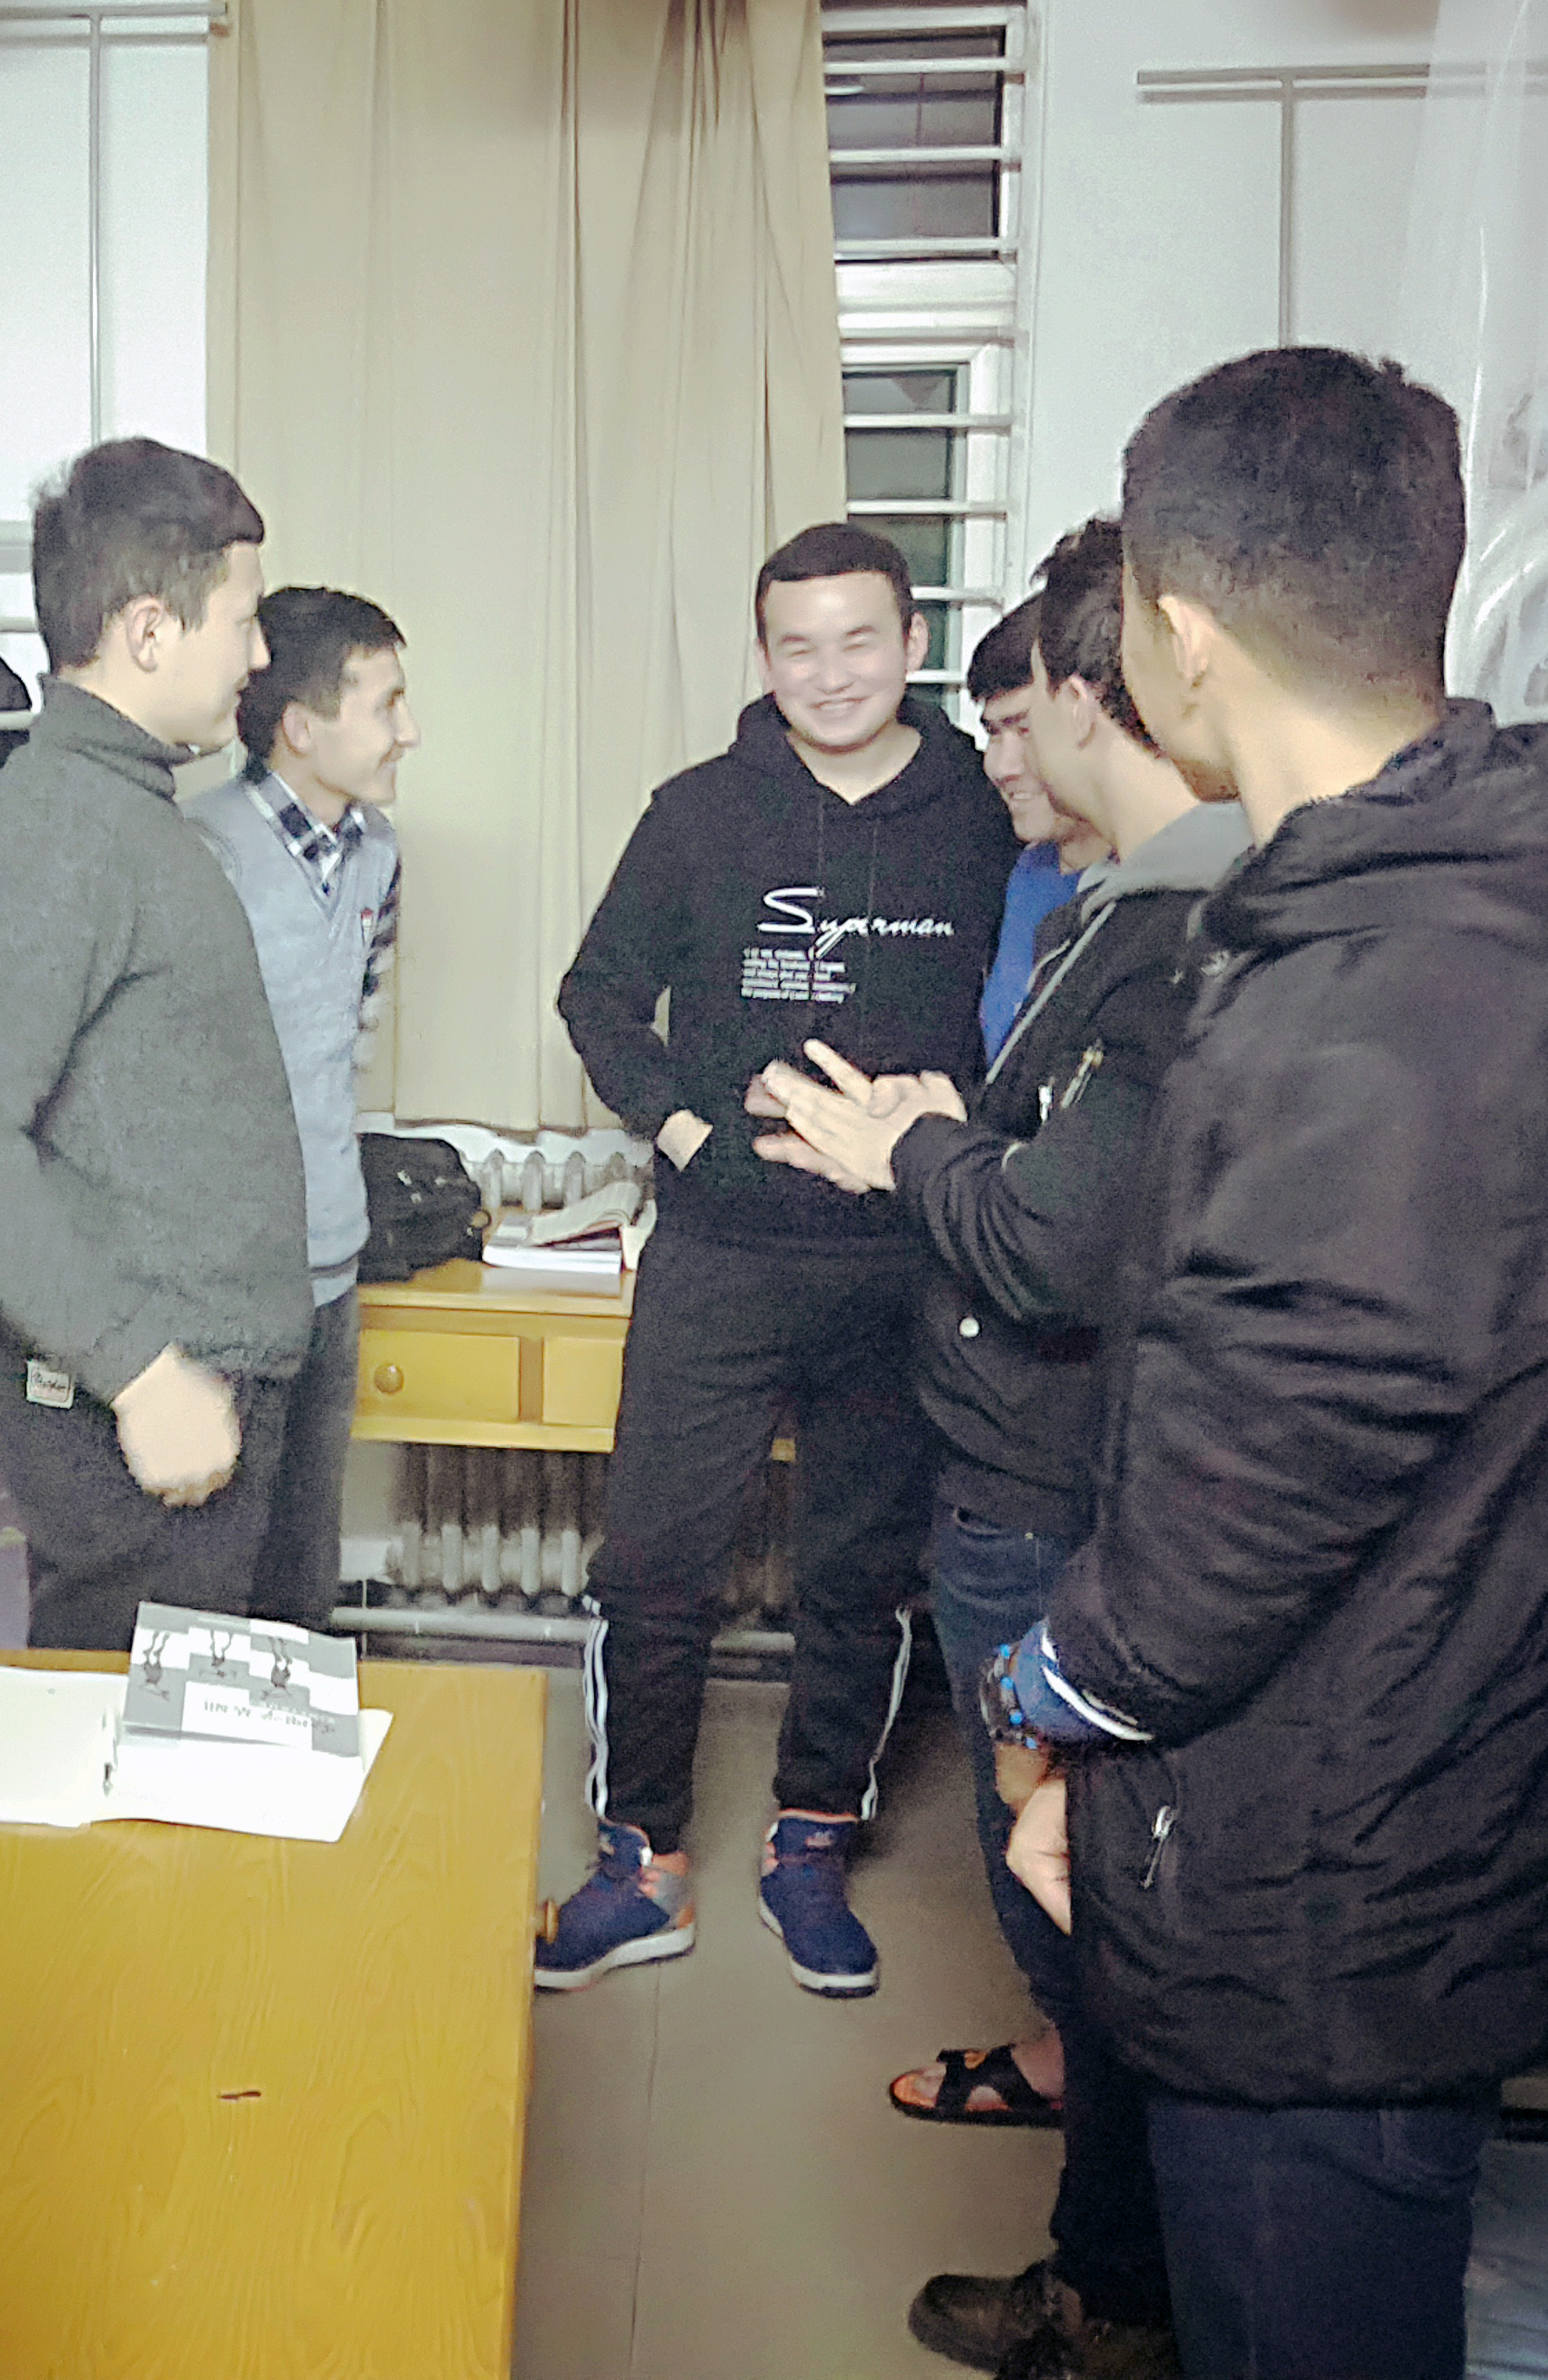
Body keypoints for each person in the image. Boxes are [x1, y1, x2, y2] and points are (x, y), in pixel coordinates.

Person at [980, 351, 1548, 2380]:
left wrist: (1042, 1697)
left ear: (1180, 635)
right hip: (1340, 1819)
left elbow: (1255, 1496)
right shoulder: (1408, 908)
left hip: (1339, 1911)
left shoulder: (1387, 999)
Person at [763, 516, 1247, 2380]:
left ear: (1097, 695)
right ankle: (1107, 2249)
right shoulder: (1124, 905)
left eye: (1020, 710)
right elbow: (1064, 1174)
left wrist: (911, 1153)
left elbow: (1061, 1238)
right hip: (1022, 1479)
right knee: (1075, 1911)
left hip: (1050, 1504)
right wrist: (952, 1132)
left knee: (1085, 1915)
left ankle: (1112, 2297)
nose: (1003, 750)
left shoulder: (1177, 931)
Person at [536, 522, 1019, 1997]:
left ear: (913, 643)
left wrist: (964, 1134)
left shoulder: (988, 817)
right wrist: (685, 1132)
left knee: (859, 1572)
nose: (830, 673)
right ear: (763, 657)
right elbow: (598, 995)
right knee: (652, 1563)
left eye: (859, 640)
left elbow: (1030, 1026)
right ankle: (642, 1861)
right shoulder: (699, 814)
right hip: (723, 1255)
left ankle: (812, 1841)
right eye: (796, 646)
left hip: (907, 1262)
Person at [0, 438, 314, 1649]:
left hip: (202, 1380)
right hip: (145, 1402)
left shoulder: (127, 809)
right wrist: (136, 1372)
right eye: (242, 619)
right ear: (147, 631)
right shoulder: (62, 831)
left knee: (198, 1749)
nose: (260, 655)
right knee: (123, 1760)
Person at [186, 586, 415, 1630]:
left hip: (333, 1257)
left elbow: (350, 1035)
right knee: (213, 1567)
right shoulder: (204, 853)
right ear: (302, 727)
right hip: (227, 1273)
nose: (409, 731)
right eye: (387, 704)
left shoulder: (379, 853)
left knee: (301, 1560)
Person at [971, 589, 1106, 1056]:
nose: (1002, 766)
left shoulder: (1160, 886)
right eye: (994, 733)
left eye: (1026, 730)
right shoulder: (1030, 874)